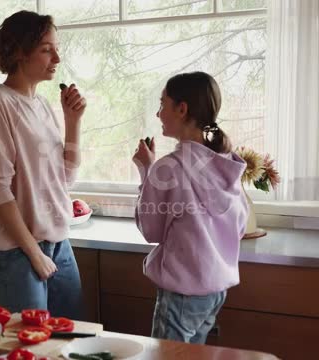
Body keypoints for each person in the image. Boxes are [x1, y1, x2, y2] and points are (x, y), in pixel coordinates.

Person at [0, 10, 86, 319]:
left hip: (58, 243)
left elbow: (66, 178)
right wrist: (33, 253)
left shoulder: (43, 105)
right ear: (20, 52)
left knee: (72, 338)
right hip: (19, 251)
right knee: (31, 344)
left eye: (56, 48)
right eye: (47, 49)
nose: (57, 58)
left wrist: (73, 121)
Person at [132, 71, 248, 344]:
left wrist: (146, 171)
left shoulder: (168, 168)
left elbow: (151, 230)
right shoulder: (225, 162)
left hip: (182, 294)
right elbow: (239, 225)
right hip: (214, 292)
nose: (159, 114)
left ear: (182, 109)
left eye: (163, 105)